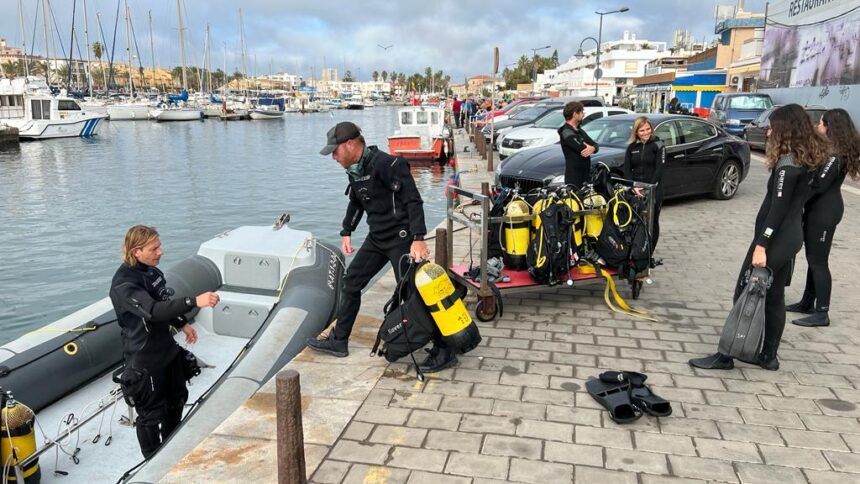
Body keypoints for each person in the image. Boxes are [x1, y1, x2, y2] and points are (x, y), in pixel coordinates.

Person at [306, 122, 458, 373]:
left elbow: (413, 200)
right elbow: (356, 201)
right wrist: (347, 231)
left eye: (335, 151)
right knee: (351, 282)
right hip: (377, 239)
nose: (333, 157)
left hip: (402, 239)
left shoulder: (389, 165)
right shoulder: (355, 170)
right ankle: (339, 340)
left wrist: (418, 237)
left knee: (413, 294)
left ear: (350, 145)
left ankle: (445, 348)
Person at [689, 104, 828, 371]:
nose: (769, 131)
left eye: (774, 127)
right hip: (790, 237)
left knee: (745, 290)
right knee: (774, 296)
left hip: (774, 240)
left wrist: (761, 245)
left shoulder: (787, 166)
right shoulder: (806, 159)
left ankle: (726, 354)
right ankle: (768, 356)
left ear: (786, 130)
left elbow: (777, 209)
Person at [109, 225, 220, 458]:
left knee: (177, 398)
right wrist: (193, 301)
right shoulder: (124, 284)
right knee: (150, 415)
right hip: (144, 359)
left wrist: (182, 323)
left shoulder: (153, 273)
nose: (161, 252)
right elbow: (151, 310)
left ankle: (171, 447)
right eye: (155, 248)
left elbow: (162, 301)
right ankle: (152, 460)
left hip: (167, 350)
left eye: (160, 246)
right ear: (136, 251)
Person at [788, 109, 860, 327]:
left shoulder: (836, 155)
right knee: (813, 257)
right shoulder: (833, 151)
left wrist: (794, 202)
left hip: (824, 212)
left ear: (830, 126)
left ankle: (822, 312)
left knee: (818, 261)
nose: (818, 127)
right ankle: (807, 302)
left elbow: (819, 185)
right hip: (819, 209)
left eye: (821, 123)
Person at [623, 116, 665, 255]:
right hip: (636, 189)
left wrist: (649, 187)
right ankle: (636, 250)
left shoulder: (658, 145)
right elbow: (627, 170)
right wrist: (633, 187)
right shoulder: (631, 147)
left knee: (652, 222)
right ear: (636, 132)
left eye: (648, 129)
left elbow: (660, 168)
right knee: (635, 221)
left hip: (654, 189)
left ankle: (649, 254)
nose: (646, 132)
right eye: (642, 130)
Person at [558, 101, 599, 188]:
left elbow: (595, 145)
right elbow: (582, 148)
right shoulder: (566, 132)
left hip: (585, 175)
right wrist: (589, 146)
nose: (583, 114)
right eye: (581, 112)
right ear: (575, 114)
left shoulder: (579, 131)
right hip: (574, 177)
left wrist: (593, 148)